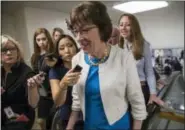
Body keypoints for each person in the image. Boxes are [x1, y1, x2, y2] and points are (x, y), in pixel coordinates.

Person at [65, 1, 147, 130]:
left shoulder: (123, 58)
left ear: (102, 28)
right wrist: (69, 127)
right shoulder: (78, 59)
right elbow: (77, 98)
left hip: (117, 125)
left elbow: (137, 102)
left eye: (85, 30)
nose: (78, 37)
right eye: (76, 31)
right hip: (90, 126)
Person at [118, 13, 163, 105]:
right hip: (124, 91)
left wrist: (153, 94)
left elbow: (149, 72)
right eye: (121, 24)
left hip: (140, 90)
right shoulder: (120, 46)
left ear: (134, 27)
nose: (123, 28)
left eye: (128, 25)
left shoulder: (144, 45)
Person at [48, 34, 83, 130]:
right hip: (68, 117)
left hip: (90, 113)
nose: (67, 51)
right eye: (62, 48)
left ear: (76, 47)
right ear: (58, 52)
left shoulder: (85, 64)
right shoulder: (55, 71)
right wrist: (63, 84)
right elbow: (58, 101)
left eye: (70, 45)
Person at [1, 35, 35, 130]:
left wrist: (32, 88)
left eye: (12, 49)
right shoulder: (1, 70)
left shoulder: (27, 72)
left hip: (20, 116)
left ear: (18, 51)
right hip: (4, 113)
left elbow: (33, 103)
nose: (8, 53)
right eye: (4, 50)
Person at [30, 28, 54, 130]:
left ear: (48, 39)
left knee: (54, 119)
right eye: (38, 40)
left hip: (53, 90)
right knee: (41, 121)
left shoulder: (53, 54)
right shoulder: (34, 57)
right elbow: (34, 73)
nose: (41, 42)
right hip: (42, 92)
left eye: (43, 39)